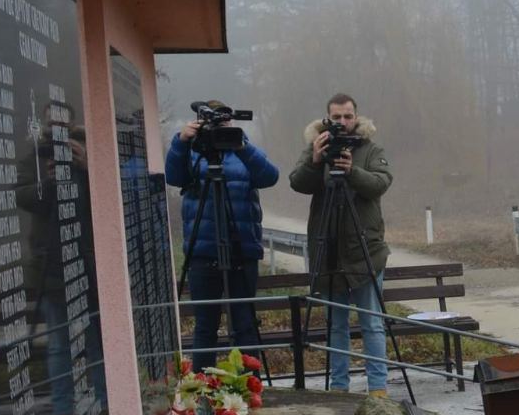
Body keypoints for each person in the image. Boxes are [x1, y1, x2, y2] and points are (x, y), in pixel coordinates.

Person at [289, 93, 393, 397]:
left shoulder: (371, 149)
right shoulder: (315, 147)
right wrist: (315, 160)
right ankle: (338, 390)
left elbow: (381, 183)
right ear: (327, 118)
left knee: (372, 324)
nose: (343, 122)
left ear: (356, 117)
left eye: (348, 116)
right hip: (330, 250)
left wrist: (352, 171)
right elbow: (297, 182)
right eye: (337, 117)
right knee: (336, 326)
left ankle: (378, 389)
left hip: (366, 251)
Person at [166, 105, 279, 371]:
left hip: (242, 248)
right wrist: (180, 141)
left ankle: (250, 388)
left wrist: (241, 143)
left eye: (223, 120)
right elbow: (174, 176)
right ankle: (203, 391)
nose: (217, 126)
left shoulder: (244, 148)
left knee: (244, 323)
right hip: (203, 251)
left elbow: (270, 176)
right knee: (205, 325)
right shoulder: (194, 151)